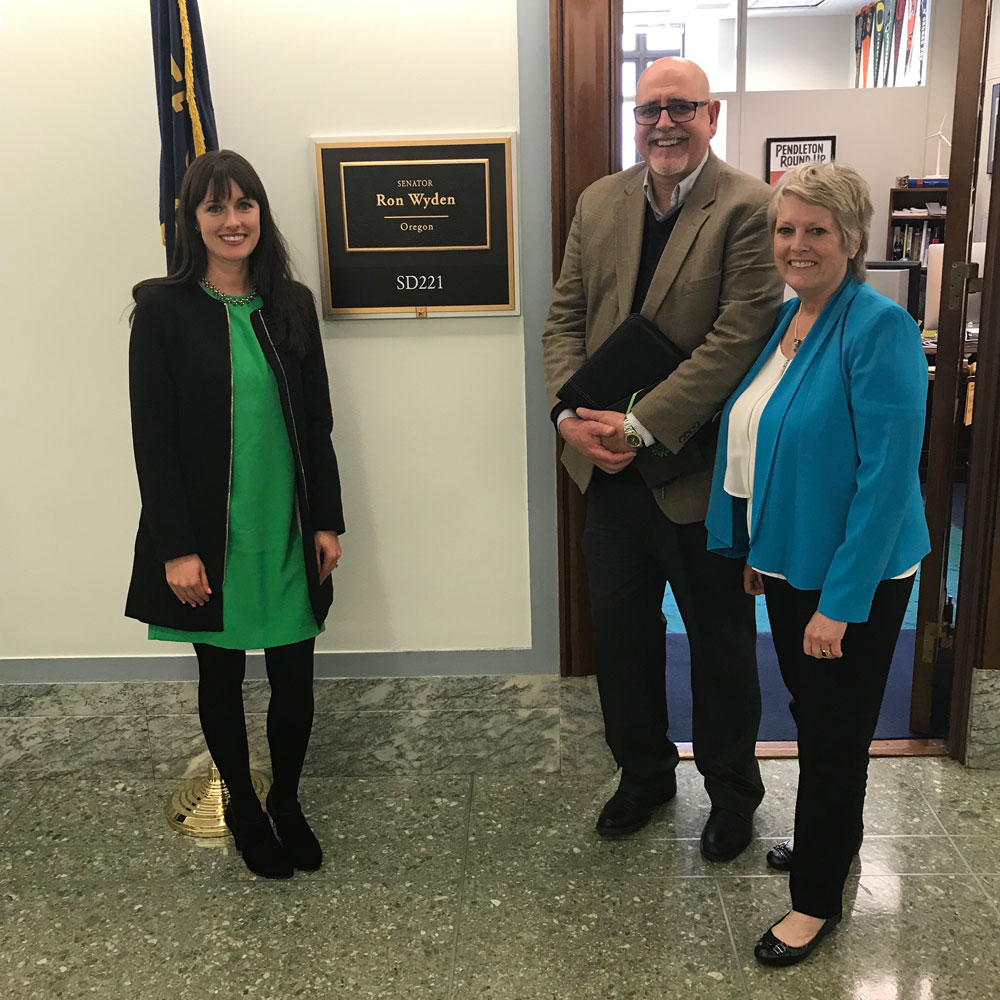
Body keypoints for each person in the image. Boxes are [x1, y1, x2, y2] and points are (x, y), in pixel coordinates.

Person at [542, 57, 784, 861]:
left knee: (720, 644)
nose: (664, 123)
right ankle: (644, 775)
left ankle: (732, 792)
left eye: (682, 107)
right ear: (633, 118)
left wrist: (640, 428)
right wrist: (567, 414)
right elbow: (564, 319)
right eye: (650, 109)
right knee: (620, 639)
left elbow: (737, 338)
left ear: (711, 113)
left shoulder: (749, 206)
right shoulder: (599, 201)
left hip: (698, 476)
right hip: (605, 478)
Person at [706, 162, 930, 964]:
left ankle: (814, 904)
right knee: (815, 718)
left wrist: (841, 603)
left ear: (853, 240)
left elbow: (884, 477)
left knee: (833, 735)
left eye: (816, 232)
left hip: (851, 576)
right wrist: (758, 552)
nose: (796, 245)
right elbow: (768, 440)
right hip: (793, 564)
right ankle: (830, 843)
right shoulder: (794, 316)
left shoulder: (879, 328)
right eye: (786, 229)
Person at [126, 150, 345, 879]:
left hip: (285, 525)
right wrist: (175, 548)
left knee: (295, 677)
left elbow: (316, 423)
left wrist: (326, 521)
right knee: (220, 678)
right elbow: (151, 441)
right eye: (215, 207)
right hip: (212, 537)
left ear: (261, 214)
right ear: (192, 221)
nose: (233, 220)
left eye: (244, 204)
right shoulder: (161, 311)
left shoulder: (290, 303)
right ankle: (244, 812)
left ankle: (285, 798)